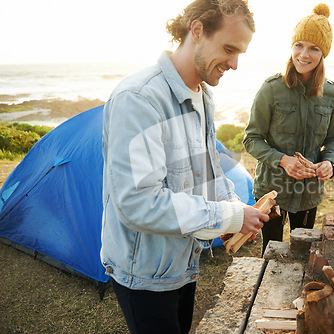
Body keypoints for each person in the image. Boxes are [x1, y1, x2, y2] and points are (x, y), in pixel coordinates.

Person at [100, 1, 268, 333]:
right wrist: (229, 217)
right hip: (145, 275)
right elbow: (139, 203)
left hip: (184, 263)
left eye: (240, 54)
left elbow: (209, 170)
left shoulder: (203, 94)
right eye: (229, 49)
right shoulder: (140, 99)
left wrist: (236, 210)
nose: (234, 64)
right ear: (197, 31)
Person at [243, 3, 334, 256]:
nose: (304, 54)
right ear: (291, 47)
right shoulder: (271, 88)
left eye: (314, 48)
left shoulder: (331, 93)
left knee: (303, 254)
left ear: (323, 54)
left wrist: (329, 163)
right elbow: (252, 139)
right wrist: (283, 160)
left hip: (308, 193)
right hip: (272, 191)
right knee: (271, 253)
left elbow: (333, 140)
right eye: (299, 45)